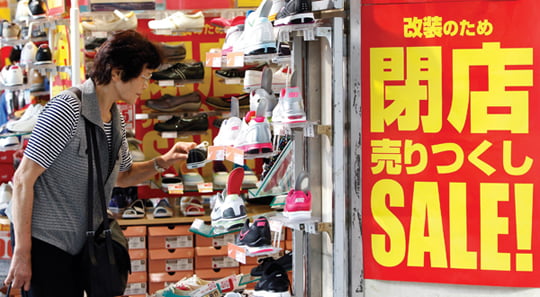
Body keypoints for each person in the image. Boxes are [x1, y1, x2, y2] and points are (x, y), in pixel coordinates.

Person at [4, 30, 196, 296]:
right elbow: (23, 179)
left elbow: (122, 175)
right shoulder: (67, 108)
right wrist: (22, 253)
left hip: (81, 246)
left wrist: (163, 161)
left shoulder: (114, 116)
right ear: (117, 73)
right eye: (144, 76)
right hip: (45, 243)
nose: (146, 84)